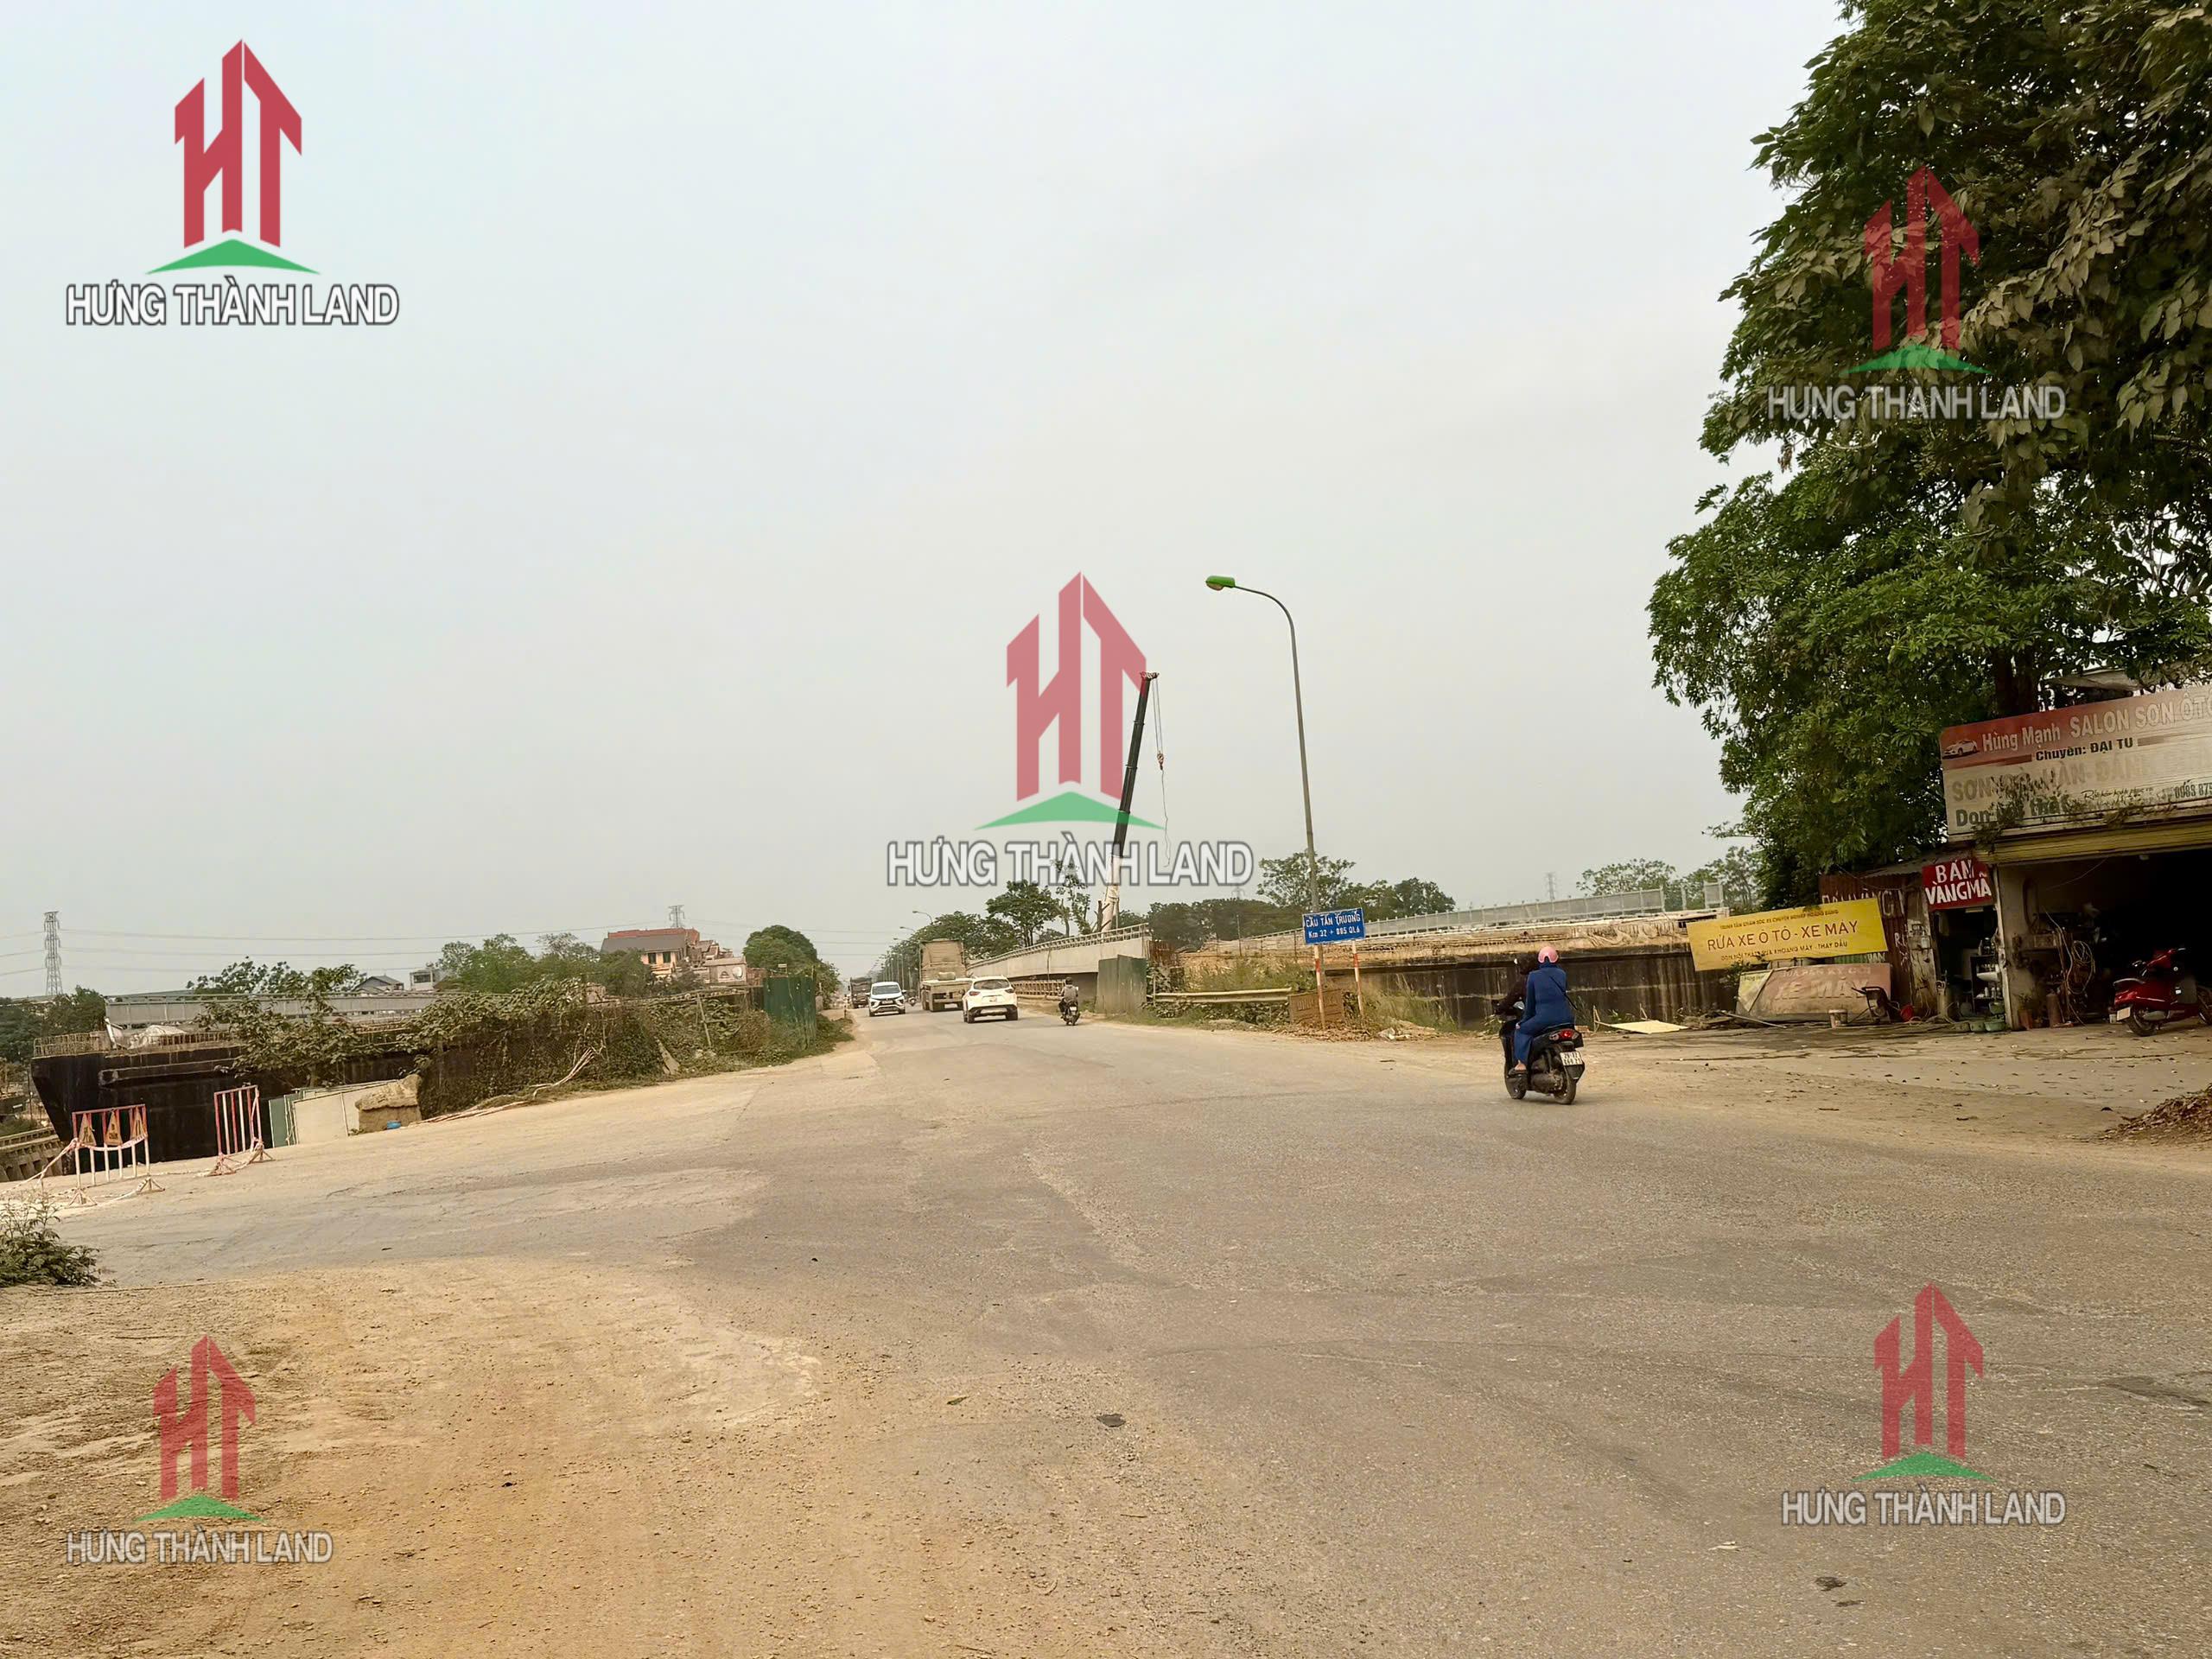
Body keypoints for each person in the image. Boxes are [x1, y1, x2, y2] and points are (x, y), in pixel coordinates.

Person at [1510, 946, 1572, 1073]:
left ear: (1540, 960)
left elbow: (1530, 1004)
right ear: (1556, 959)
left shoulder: (1533, 976)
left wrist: (1524, 1021)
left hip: (1544, 1020)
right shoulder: (1562, 974)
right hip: (1566, 1019)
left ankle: (1522, 1064)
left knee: (1521, 1031)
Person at [1495, 954, 1536, 1070]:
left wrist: (1499, 1008)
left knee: (1518, 1031)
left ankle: (1521, 1063)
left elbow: (1509, 999)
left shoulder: (1524, 981)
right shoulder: (1548, 978)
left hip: (1536, 1017)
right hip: (1561, 1018)